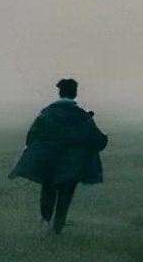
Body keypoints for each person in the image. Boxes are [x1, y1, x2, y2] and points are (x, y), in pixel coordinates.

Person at [8, 78, 108, 233]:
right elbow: (100, 141)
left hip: (48, 163)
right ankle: (57, 229)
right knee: (65, 195)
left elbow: (31, 138)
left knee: (47, 191)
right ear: (75, 93)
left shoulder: (46, 113)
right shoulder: (82, 116)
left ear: (60, 93)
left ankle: (45, 221)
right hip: (72, 165)